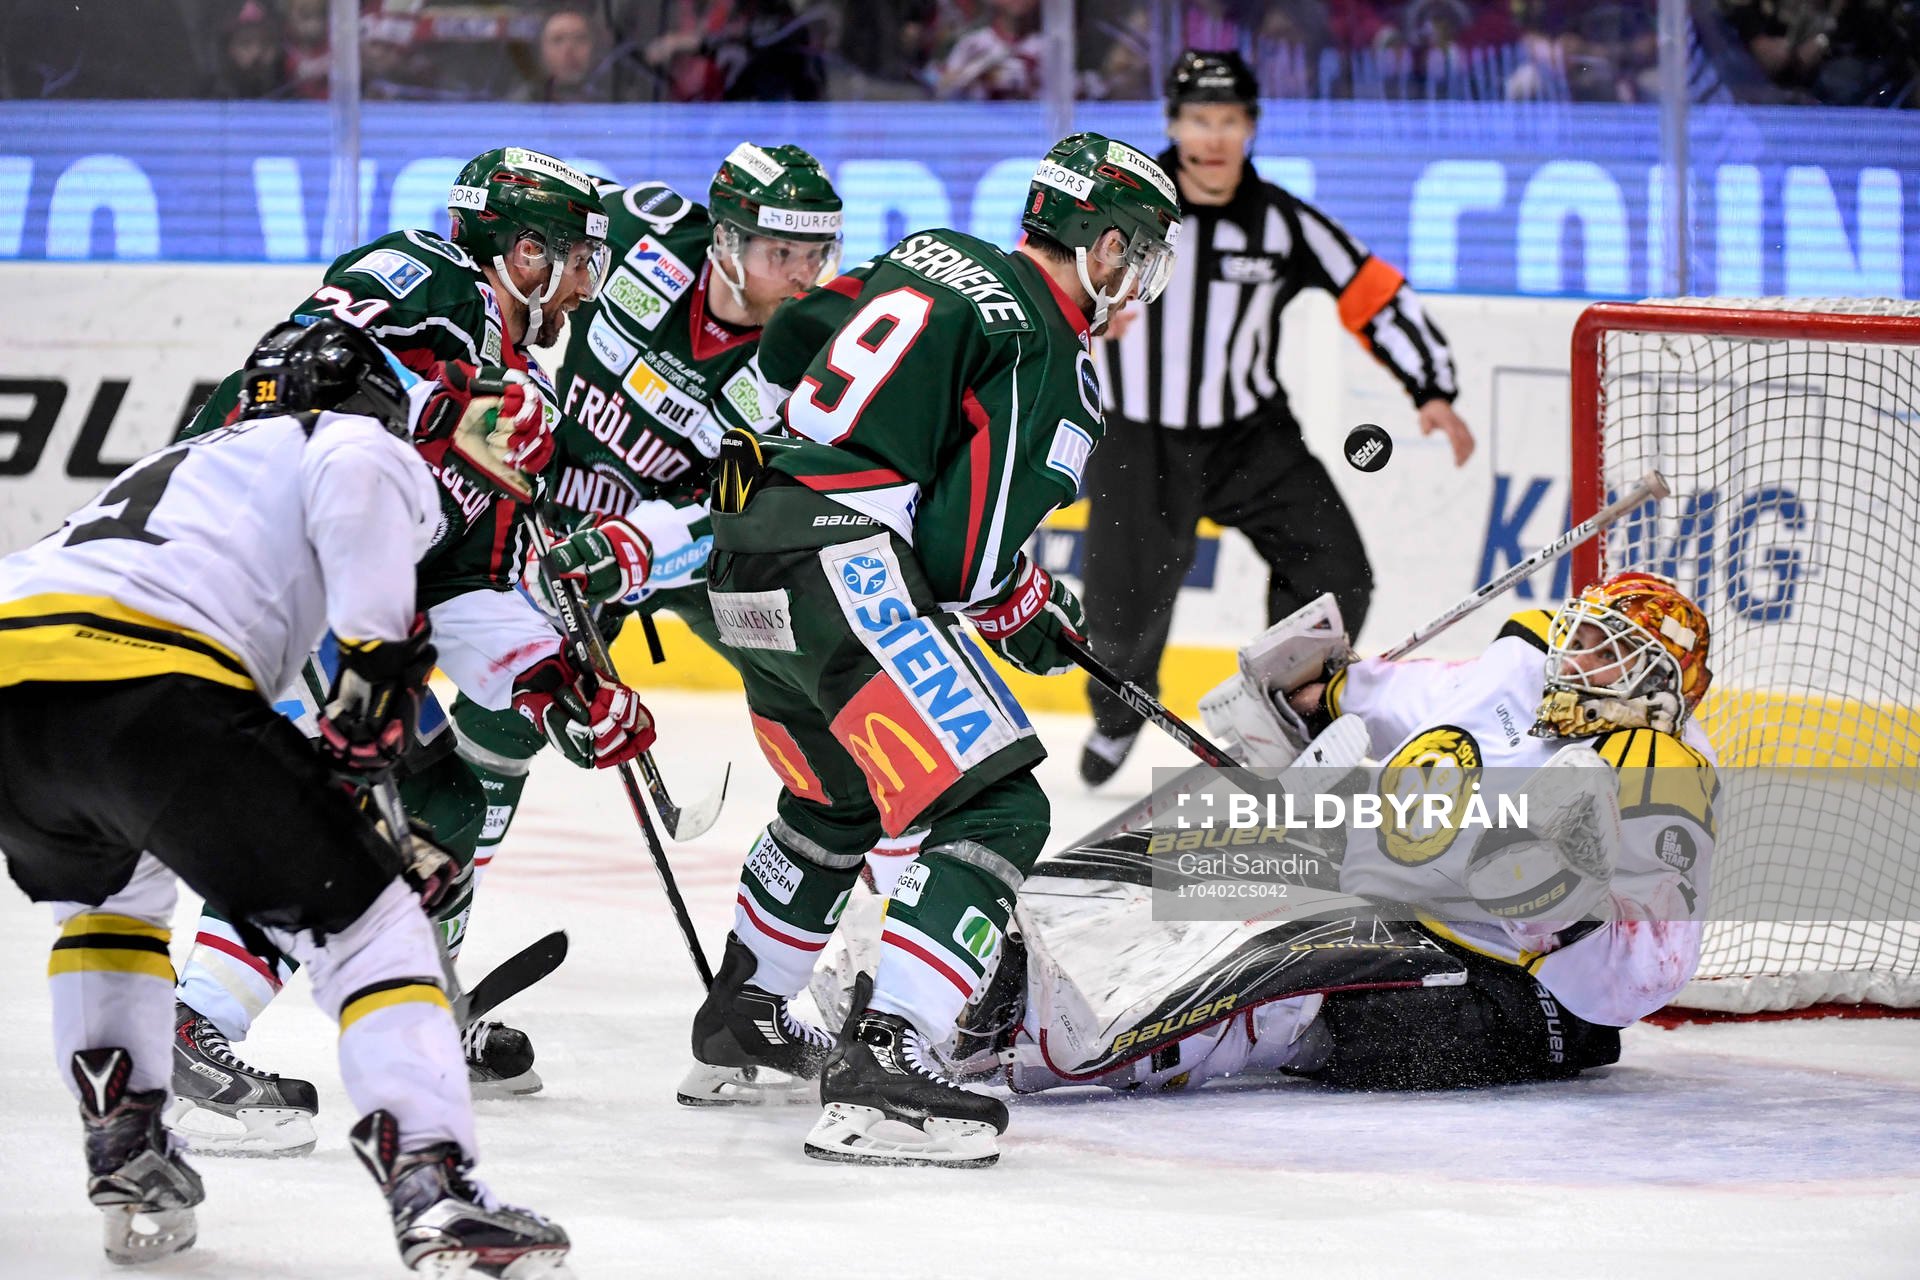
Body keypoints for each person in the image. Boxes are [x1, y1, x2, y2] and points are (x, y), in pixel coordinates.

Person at [0, 319, 569, 1274]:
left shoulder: (196, 456)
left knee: (112, 911)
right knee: (373, 924)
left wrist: (340, 758)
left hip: (16, 692)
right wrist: (375, 703)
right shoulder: (357, 444)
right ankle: (435, 1186)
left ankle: (127, 1141)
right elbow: (365, 632)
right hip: (151, 687)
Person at [681, 132, 1181, 1167]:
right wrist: (1033, 607)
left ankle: (746, 1013)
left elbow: (790, 344)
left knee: (838, 796)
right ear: (1094, 244)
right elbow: (966, 561)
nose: (1135, 280)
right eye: (1133, 251)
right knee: (994, 803)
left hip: (742, 548)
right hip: (841, 566)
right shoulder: (1053, 350)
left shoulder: (932, 249)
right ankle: (887, 1060)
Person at [166, 148, 655, 1156]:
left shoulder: (515, 387)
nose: (583, 288)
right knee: (345, 790)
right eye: (576, 264)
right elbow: (288, 380)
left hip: (320, 585)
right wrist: (432, 418)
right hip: (257, 552)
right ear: (523, 254)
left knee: (446, 800)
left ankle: (417, 993)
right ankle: (194, 1019)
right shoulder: (426, 277)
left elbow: (465, 585)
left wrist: (555, 682)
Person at [941, 572, 1716, 1097]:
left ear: (1654, 686)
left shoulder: (1659, 765)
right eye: (1577, 639)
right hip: (1426, 908)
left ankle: (1055, 1050)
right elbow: (1423, 698)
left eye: (1601, 655)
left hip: (1525, 995)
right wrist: (1319, 691)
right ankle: (979, 955)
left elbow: (1647, 973)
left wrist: (1554, 900)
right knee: (1207, 862)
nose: (1571, 661)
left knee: (1291, 984)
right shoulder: (1522, 676)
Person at [446, 142, 842, 949]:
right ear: (725, 243)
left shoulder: (810, 357)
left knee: (844, 707)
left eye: (816, 255)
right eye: (781, 253)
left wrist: (636, 548)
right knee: (495, 732)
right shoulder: (637, 234)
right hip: (553, 519)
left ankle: (836, 967)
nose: (803, 278)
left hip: (697, 549)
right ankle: (432, 961)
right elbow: (500, 233)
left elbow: (746, 508)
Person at [1078, 49, 1474, 787]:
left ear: (1252, 128)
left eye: (1230, 120)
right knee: (1121, 616)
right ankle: (1119, 712)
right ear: (1173, 124)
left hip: (1247, 433)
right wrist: (1091, 314)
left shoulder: (1280, 222)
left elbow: (1373, 290)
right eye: (1200, 119)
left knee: (1334, 571)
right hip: (1138, 436)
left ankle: (1283, 710)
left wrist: (1432, 386)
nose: (1215, 137)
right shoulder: (1119, 211)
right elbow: (1046, 275)